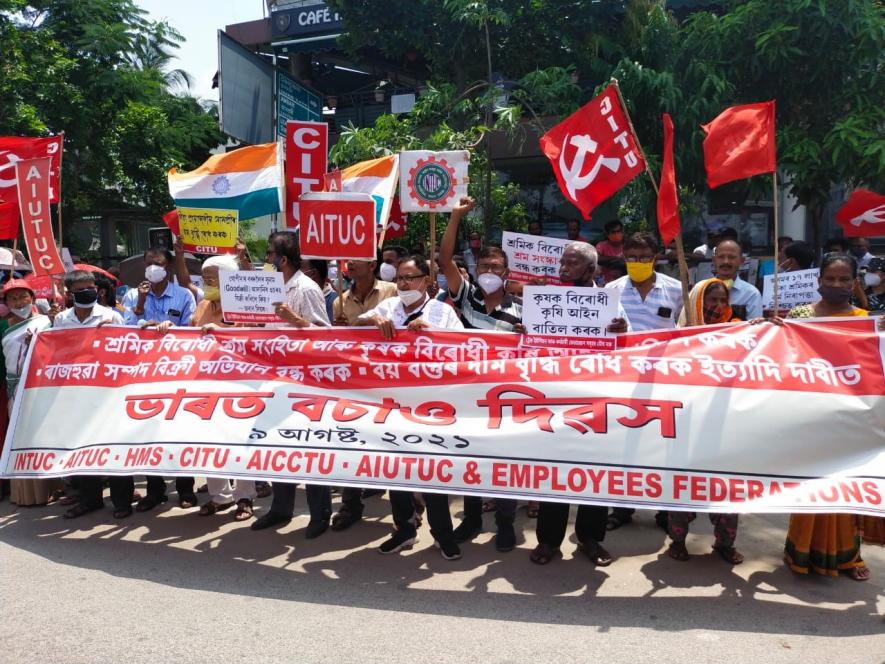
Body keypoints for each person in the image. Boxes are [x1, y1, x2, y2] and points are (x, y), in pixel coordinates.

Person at [355, 254, 465, 560]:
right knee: (397, 470)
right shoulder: (388, 307)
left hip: (431, 404)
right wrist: (372, 319)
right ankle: (404, 529)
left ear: (427, 281)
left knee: (432, 472)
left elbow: (463, 350)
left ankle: (442, 534)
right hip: (391, 403)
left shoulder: (441, 312)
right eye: (400, 278)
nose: (404, 283)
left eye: (411, 277)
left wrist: (435, 334)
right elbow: (353, 328)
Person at [530, 241, 629, 567]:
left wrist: (622, 332)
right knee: (555, 473)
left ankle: (590, 539)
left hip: (595, 403)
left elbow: (629, 349)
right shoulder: (546, 300)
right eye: (563, 262)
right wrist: (525, 331)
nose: (562, 268)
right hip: (556, 401)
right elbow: (528, 345)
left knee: (594, 473)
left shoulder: (609, 303)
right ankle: (548, 541)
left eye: (571, 263)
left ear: (590, 270)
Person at [782, 253, 880, 580]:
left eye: (843, 280)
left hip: (852, 419)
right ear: (818, 281)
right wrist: (766, 328)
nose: (836, 285)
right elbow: (782, 355)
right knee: (811, 486)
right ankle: (800, 551)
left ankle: (849, 557)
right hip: (811, 415)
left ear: (854, 282)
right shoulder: (800, 316)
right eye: (830, 279)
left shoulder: (868, 322)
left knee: (847, 489)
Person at [439, 196, 523, 552]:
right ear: (476, 269)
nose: (489, 270)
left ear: (506, 272)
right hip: (467, 394)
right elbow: (444, 259)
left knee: (504, 463)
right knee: (469, 460)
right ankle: (471, 520)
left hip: (504, 397)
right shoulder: (467, 297)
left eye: (496, 266)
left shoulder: (521, 311)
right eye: (484, 264)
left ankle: (505, 524)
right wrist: (456, 216)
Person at [250, 231, 332, 538]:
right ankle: (281, 508)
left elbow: (326, 337)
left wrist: (296, 320)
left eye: (270, 254)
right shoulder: (267, 287)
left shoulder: (306, 288)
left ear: (282, 259)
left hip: (305, 381)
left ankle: (319, 514)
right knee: (276, 445)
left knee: (308, 447)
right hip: (274, 377)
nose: (266, 259)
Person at [169, 253, 259, 521]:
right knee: (210, 443)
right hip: (207, 384)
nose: (207, 281)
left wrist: (223, 334)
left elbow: (255, 341)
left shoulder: (246, 304)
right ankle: (220, 497)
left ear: (229, 279)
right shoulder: (203, 305)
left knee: (240, 444)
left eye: (212, 277)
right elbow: (188, 336)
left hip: (240, 385)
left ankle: (245, 497)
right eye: (205, 277)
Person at [604, 232, 684, 530]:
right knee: (623, 444)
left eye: (644, 257)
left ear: (656, 258)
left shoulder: (676, 290)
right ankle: (622, 507)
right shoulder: (610, 290)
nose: (638, 262)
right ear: (623, 257)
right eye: (632, 257)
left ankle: (665, 511)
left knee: (664, 445)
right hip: (622, 381)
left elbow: (687, 330)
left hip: (664, 381)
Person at [667, 277, 745, 564]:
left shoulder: (739, 331)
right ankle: (677, 541)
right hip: (687, 424)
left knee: (728, 489)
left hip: (726, 424)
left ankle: (724, 543)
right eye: (712, 300)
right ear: (697, 302)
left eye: (723, 300)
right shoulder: (679, 338)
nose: (719, 306)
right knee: (683, 486)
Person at [121, 246, 198, 512]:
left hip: (177, 373)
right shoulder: (132, 295)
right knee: (149, 433)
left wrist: (173, 330)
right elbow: (126, 330)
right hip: (144, 374)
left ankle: (185, 488)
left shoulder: (184, 295)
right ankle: (155, 491)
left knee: (180, 432)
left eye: (159, 262)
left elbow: (193, 331)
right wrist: (141, 305)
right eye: (149, 262)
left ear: (168, 267)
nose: (154, 266)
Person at [327, 256, 397, 531]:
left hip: (393, 381)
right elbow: (337, 344)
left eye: (357, 259)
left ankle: (411, 507)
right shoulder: (339, 301)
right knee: (350, 441)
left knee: (395, 443)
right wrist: (341, 330)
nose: (350, 264)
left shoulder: (391, 292)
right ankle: (350, 503)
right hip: (355, 382)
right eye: (348, 261)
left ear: (372, 265)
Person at [51, 271, 125, 518]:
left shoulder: (111, 317)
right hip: (76, 392)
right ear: (71, 294)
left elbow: (126, 351)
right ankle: (90, 499)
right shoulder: (61, 319)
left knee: (112, 446)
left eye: (91, 288)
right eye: (82, 289)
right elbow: (57, 352)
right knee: (83, 446)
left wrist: (110, 334)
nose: (88, 292)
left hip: (106, 393)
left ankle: (122, 501)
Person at [1, 279, 62, 506]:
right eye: (13, 298)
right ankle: (26, 493)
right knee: (20, 435)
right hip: (15, 389)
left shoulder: (46, 322)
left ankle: (55, 486)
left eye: (23, 296)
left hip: (42, 386)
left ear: (32, 298)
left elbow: (60, 350)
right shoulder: (3, 327)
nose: (19, 302)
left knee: (45, 433)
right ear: (6, 302)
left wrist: (50, 330)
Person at [711, 238, 762, 319]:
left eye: (731, 257)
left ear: (742, 261)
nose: (726, 262)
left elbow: (755, 328)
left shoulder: (751, 294)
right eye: (721, 257)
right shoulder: (700, 290)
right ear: (714, 260)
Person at [594, 219, 625, 285]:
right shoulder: (601, 245)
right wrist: (617, 258)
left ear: (622, 232)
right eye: (613, 232)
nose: (616, 234)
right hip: (604, 283)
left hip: (622, 282)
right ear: (608, 235)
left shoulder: (627, 246)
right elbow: (597, 258)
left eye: (618, 231)